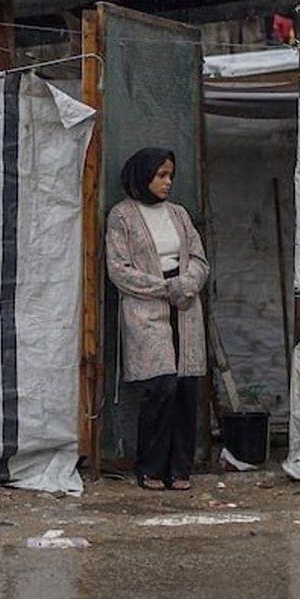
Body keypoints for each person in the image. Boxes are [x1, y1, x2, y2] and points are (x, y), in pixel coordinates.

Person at [105, 147, 209, 491]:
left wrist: (188, 283)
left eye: (171, 176)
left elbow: (198, 259)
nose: (168, 182)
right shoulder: (122, 216)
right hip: (147, 310)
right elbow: (119, 270)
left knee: (185, 388)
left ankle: (180, 469)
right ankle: (150, 467)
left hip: (185, 306)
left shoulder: (179, 214)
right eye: (161, 175)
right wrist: (165, 288)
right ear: (143, 175)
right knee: (160, 386)